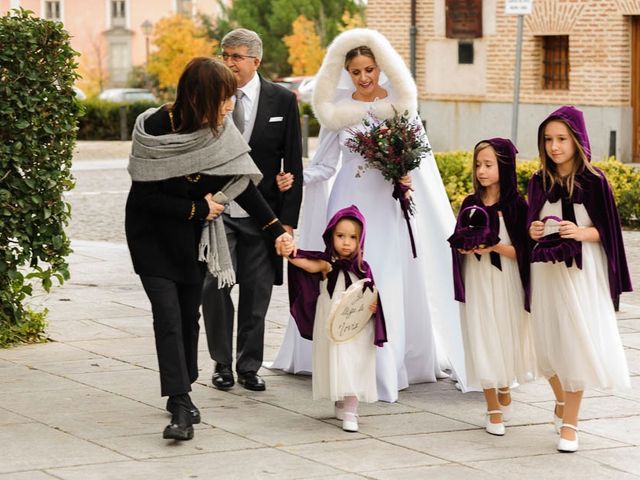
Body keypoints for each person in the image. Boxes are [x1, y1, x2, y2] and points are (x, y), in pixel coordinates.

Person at [271, 28, 469, 402]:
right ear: (346, 73)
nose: (363, 78)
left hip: (387, 205)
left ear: (381, 68)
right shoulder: (338, 112)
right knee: (346, 277)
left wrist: (407, 176)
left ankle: (389, 364)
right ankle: (349, 363)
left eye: (369, 70)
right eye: (356, 71)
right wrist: (295, 179)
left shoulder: (400, 106)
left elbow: (420, 160)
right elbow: (325, 166)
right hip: (348, 204)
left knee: (388, 277)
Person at [125, 57, 294, 441]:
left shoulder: (220, 132)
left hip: (192, 241)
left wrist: (275, 230)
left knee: (187, 316)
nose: (231, 106)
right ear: (201, 97)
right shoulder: (152, 128)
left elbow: (244, 184)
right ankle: (180, 402)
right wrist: (199, 208)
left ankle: (184, 382)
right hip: (151, 236)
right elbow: (145, 196)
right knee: (167, 317)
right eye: (224, 98)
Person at [201, 28, 303, 393]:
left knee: (257, 293)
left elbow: (293, 163)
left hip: (264, 216)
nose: (229, 63)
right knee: (214, 286)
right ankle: (221, 364)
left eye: (236, 57)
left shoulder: (282, 99)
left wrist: (287, 225)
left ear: (256, 61)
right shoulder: (212, 94)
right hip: (220, 212)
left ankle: (248, 365)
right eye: (225, 55)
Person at [527, 105, 632, 452]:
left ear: (576, 140)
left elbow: (610, 233)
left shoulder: (595, 181)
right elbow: (530, 225)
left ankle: (570, 423)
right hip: (547, 272)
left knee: (574, 342)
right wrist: (535, 228)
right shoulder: (538, 182)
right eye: (548, 139)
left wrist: (582, 233)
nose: (555, 146)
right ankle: (559, 400)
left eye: (561, 139)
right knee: (548, 345)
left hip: (581, 272)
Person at [449, 138, 537, 436]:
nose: (482, 171)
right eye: (478, 165)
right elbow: (458, 238)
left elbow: (523, 252)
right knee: (481, 335)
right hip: (477, 279)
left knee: (506, 335)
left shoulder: (517, 206)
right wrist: (464, 247)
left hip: (506, 280)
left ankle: (503, 385)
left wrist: (494, 246)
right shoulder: (469, 204)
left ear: (505, 167)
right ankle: (492, 408)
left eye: (489, 165)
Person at [287, 205, 386, 432]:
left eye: (353, 237)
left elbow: (371, 294)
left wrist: (373, 306)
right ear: (331, 236)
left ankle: (351, 410)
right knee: (337, 360)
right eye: (340, 236)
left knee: (354, 360)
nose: (346, 242)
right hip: (333, 322)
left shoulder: (363, 268)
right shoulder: (326, 264)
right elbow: (306, 263)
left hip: (358, 326)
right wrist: (289, 252)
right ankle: (341, 401)